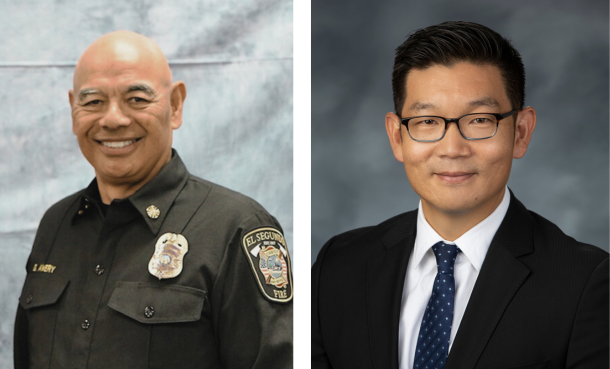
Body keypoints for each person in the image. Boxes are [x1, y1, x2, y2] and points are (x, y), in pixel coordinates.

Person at [312, 21, 608, 369]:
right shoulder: (338, 266)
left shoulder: (587, 283)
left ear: (521, 133)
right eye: (427, 122)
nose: (452, 148)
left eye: (480, 120)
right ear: (396, 137)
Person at [14, 31, 292, 369]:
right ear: (74, 109)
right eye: (93, 101)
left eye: (137, 99)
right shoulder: (56, 225)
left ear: (175, 106)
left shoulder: (237, 229)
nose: (113, 119)